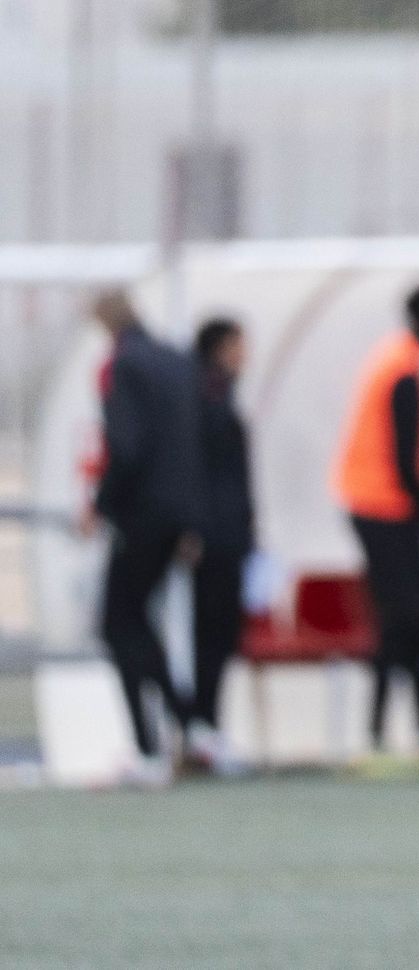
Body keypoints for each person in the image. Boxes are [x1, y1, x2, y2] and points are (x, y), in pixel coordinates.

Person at [88, 290, 205, 786]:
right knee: (136, 619)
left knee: (117, 623)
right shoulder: (177, 362)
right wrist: (193, 519)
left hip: (141, 513)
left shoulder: (123, 365)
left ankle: (149, 746)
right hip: (178, 512)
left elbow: (126, 445)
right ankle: (186, 722)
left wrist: (101, 505)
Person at [334, 284, 419, 755]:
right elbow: (407, 458)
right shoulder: (403, 370)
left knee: (409, 619)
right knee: (405, 616)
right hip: (382, 507)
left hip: (385, 506)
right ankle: (383, 732)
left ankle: (407, 731)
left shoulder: (401, 362)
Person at [187, 317, 255, 775]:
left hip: (230, 533)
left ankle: (206, 725)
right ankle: (199, 726)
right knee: (210, 634)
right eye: (237, 345)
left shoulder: (221, 393)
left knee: (221, 634)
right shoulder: (204, 397)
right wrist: (193, 527)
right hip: (214, 535)